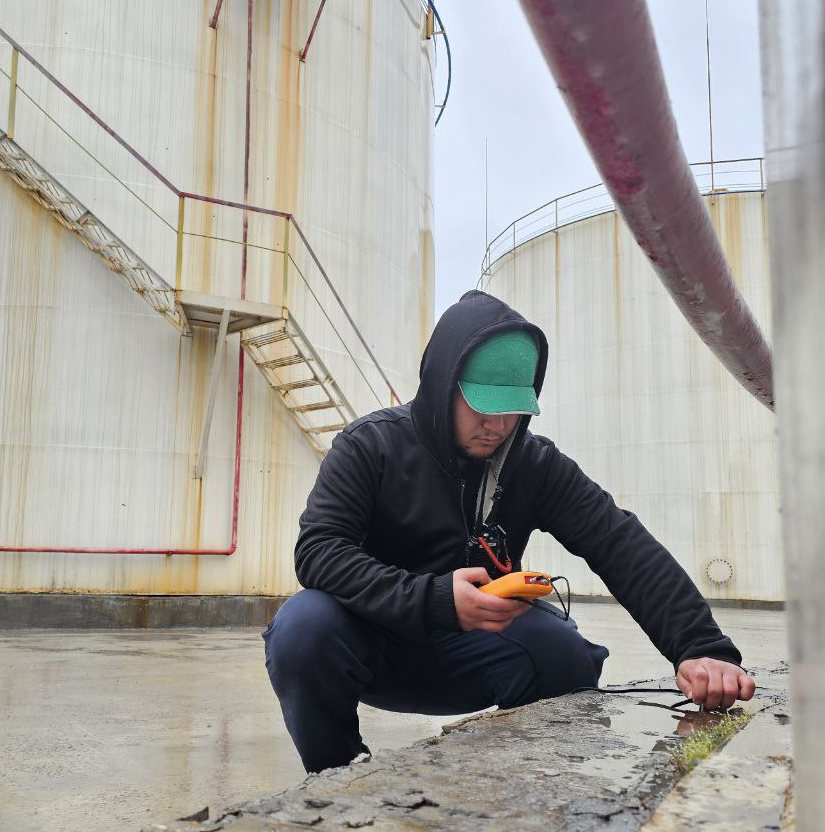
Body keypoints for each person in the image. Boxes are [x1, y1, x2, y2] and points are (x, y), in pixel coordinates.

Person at [263, 290, 755, 774]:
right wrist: (433, 598)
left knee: (564, 652)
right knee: (303, 627)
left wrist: (700, 647)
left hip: (473, 651)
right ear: (442, 386)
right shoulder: (369, 447)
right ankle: (337, 776)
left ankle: (519, 778)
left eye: (512, 407)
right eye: (480, 405)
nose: (496, 425)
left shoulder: (534, 465)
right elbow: (319, 551)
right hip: (373, 645)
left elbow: (618, 542)